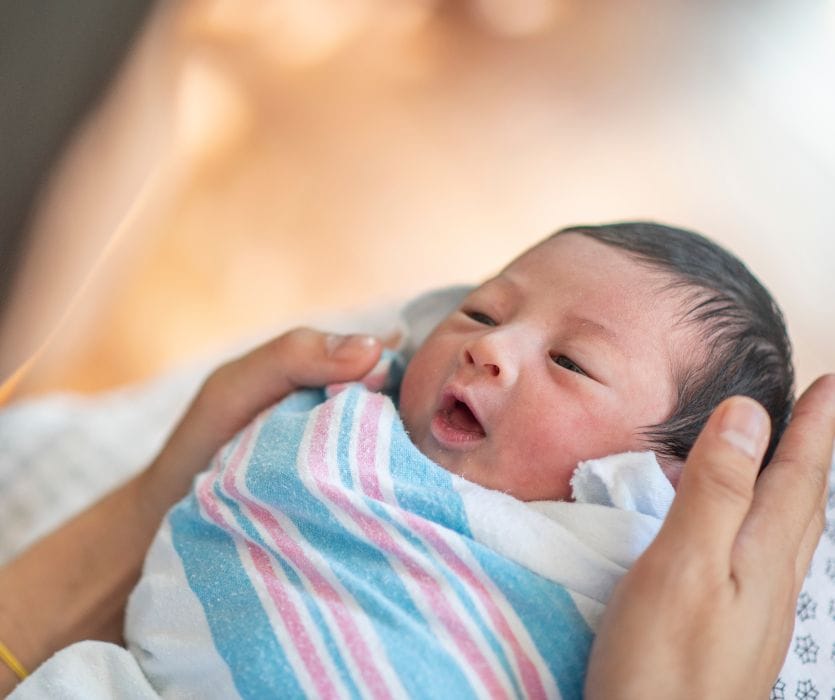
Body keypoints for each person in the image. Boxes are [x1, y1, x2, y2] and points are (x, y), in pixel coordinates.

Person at [4, 222, 813, 698]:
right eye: (481, 310)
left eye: (571, 363)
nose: (489, 346)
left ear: (662, 481)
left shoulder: (613, 562)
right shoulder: (346, 428)